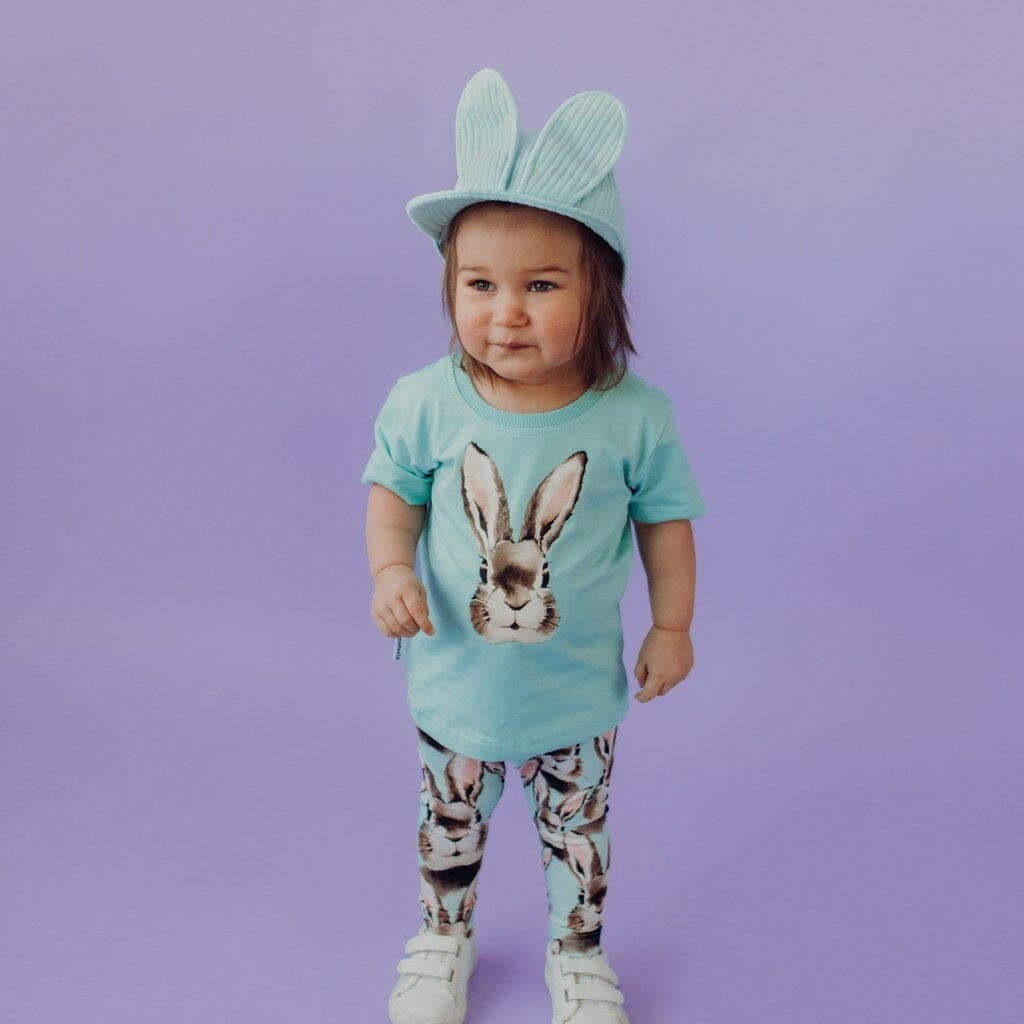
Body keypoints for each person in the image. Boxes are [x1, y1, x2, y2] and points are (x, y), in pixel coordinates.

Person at [361, 68, 705, 1024]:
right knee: (448, 822)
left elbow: (665, 523)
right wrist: (390, 569)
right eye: (479, 285)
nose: (504, 312)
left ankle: (578, 951)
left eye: (541, 286)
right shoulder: (424, 402)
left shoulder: (634, 417)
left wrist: (673, 625)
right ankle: (443, 936)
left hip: (574, 691)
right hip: (457, 683)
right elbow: (393, 494)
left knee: (578, 831)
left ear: (601, 293)